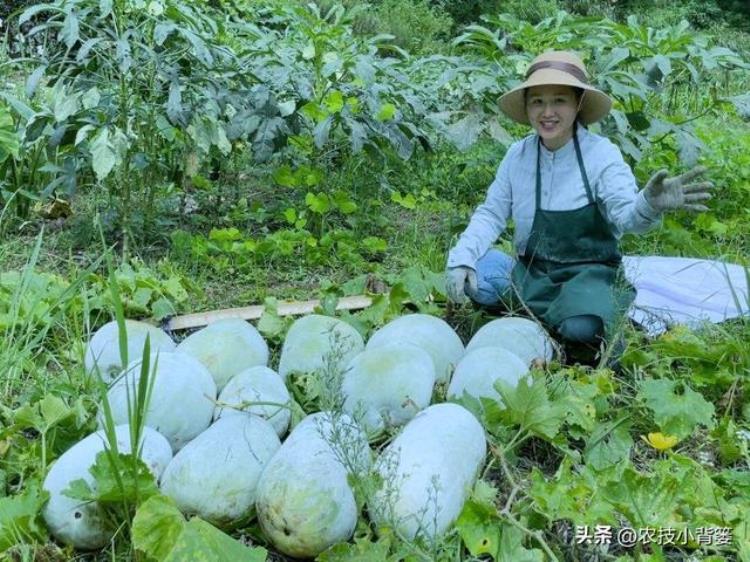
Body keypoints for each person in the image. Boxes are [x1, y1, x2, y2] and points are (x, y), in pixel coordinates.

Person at [445, 51, 713, 362]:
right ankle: (542, 323)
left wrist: (648, 206)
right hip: (531, 271)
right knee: (478, 277)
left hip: (587, 275)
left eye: (559, 100)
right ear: (527, 107)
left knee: (583, 328)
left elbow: (627, 217)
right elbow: (491, 213)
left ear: (578, 104)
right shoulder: (517, 156)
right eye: (537, 101)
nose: (548, 112)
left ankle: (572, 323)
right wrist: (462, 258)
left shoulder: (602, 156)